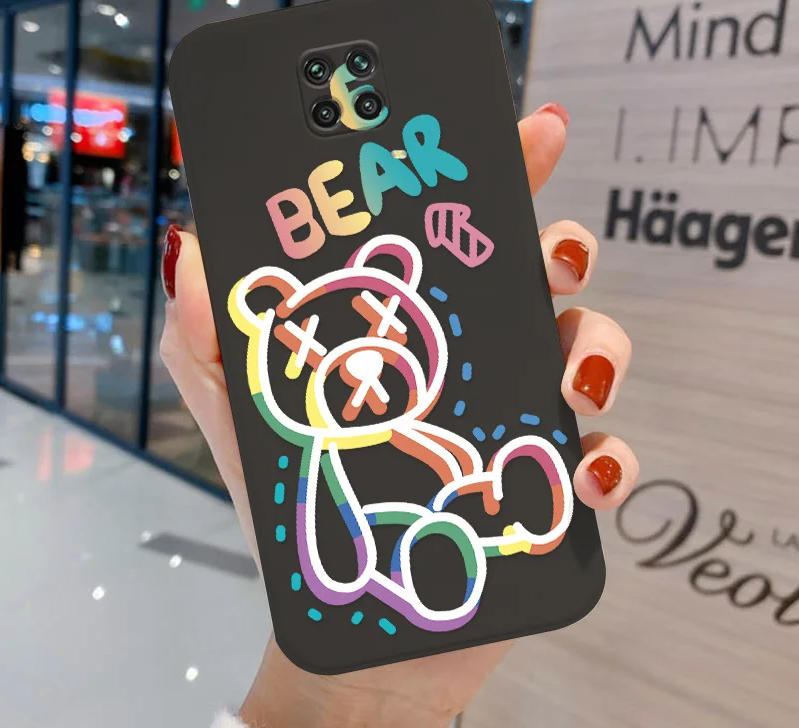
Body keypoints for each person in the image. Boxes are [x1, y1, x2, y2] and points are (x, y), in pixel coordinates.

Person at [160, 103, 638, 728]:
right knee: (406, 535)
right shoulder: (321, 457)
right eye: (315, 354)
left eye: (377, 329)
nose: (359, 367)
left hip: (454, 497)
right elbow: (331, 543)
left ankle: (502, 503)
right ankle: (431, 556)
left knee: (476, 495)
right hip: (386, 536)